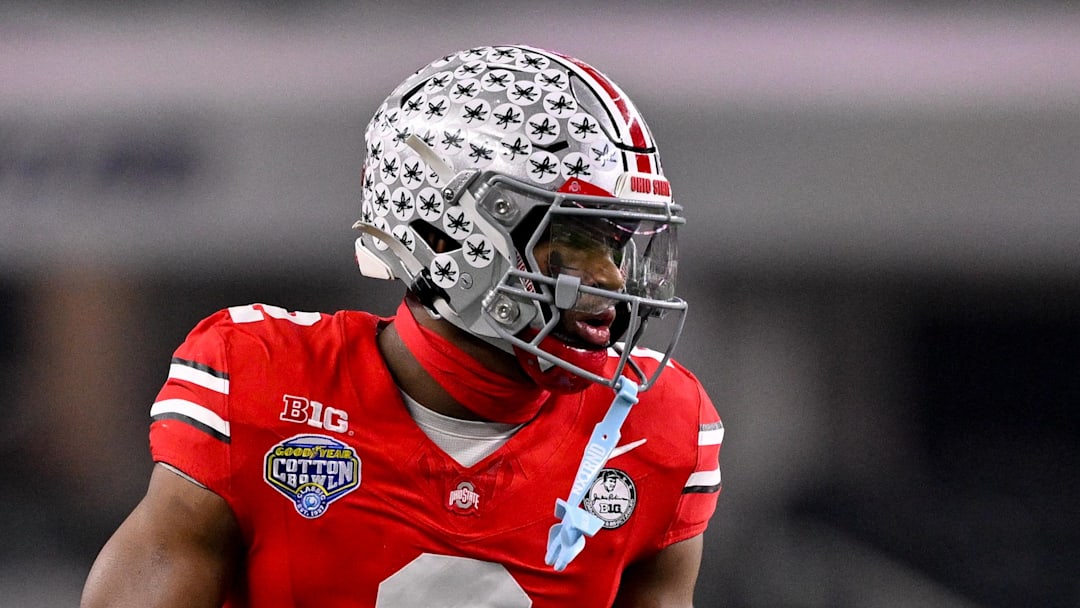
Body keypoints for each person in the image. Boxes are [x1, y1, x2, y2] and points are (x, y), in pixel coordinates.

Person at [81, 44, 723, 608]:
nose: (611, 279)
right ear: (450, 230)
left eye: (617, 244)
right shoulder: (261, 381)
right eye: (574, 240)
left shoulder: (658, 428)